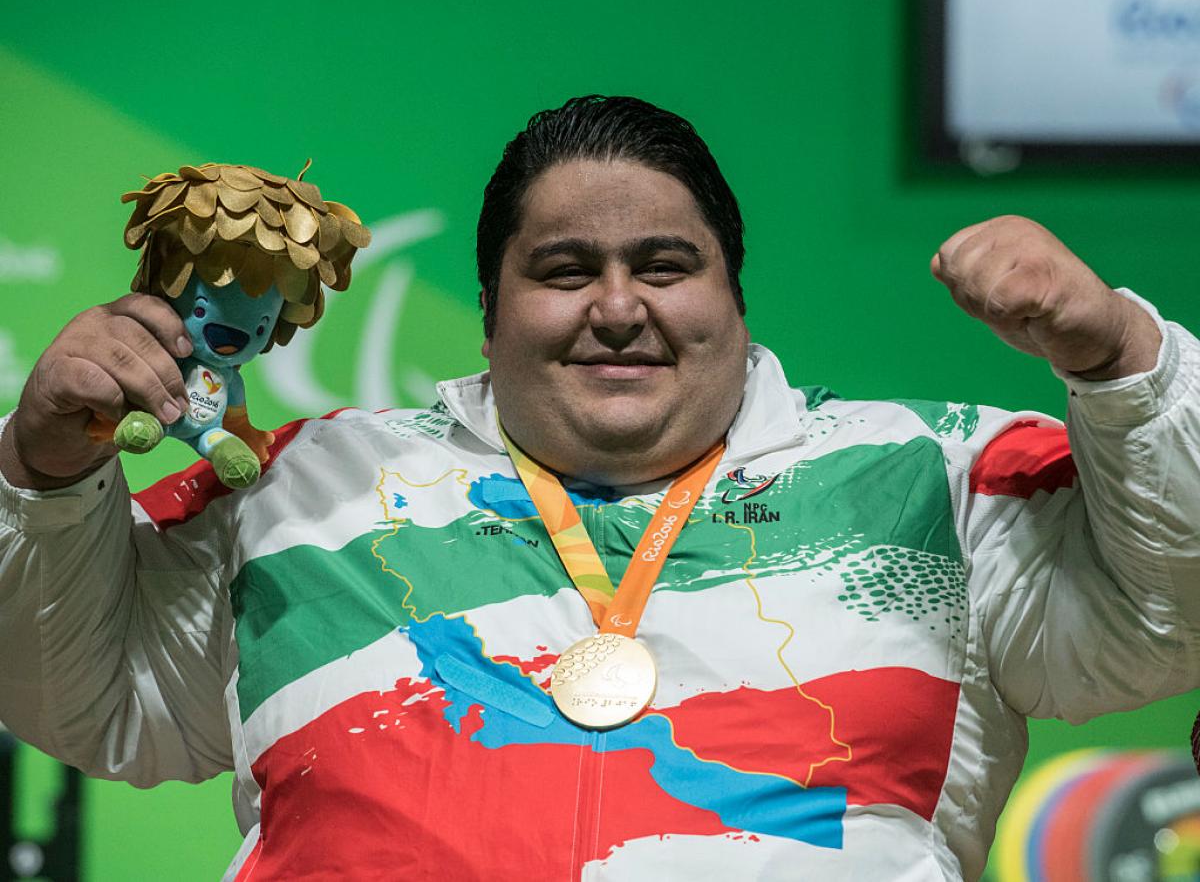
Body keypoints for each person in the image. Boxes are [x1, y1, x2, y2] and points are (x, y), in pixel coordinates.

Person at [0, 95, 1196, 881]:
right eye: (564, 271)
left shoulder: (930, 475)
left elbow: (1160, 625)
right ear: (488, 313)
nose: (618, 307)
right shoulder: (303, 487)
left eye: (665, 266)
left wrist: (1119, 358)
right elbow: (91, 701)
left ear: (734, 295)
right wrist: (43, 471)